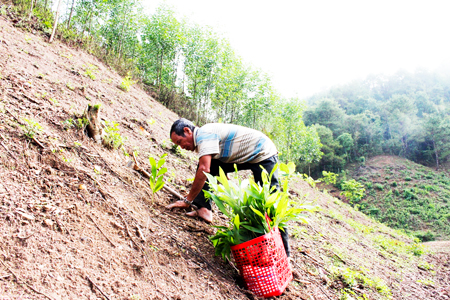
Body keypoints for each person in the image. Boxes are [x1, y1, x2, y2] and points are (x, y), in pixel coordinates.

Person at [166, 118, 290, 257]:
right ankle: (203, 209)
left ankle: (285, 253)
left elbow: (204, 170)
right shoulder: (205, 137)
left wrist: (187, 201)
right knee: (209, 165)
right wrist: (222, 174)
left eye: (180, 142)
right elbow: (215, 161)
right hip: (247, 154)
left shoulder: (204, 135)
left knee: (270, 200)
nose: (181, 147)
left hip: (263, 153)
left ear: (187, 131)